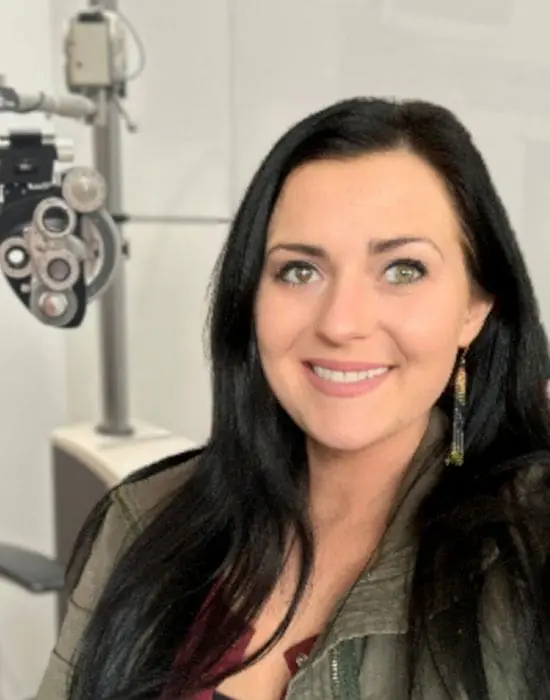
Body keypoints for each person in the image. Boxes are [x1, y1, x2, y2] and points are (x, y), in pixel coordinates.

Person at [36, 97, 550, 700]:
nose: (341, 322)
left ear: (473, 310)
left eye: (403, 270)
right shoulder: (145, 522)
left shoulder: (525, 555)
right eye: (300, 271)